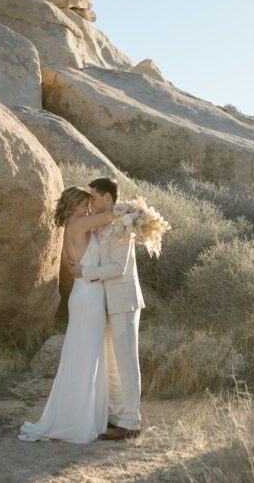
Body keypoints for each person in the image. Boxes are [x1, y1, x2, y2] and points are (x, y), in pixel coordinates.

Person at [17, 186, 116, 444]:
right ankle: (77, 423)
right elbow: (111, 215)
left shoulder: (70, 228)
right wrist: (135, 208)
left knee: (81, 358)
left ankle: (80, 417)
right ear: (75, 206)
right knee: (86, 358)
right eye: (86, 204)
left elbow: (77, 268)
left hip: (83, 293)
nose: (89, 208)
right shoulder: (81, 223)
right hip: (89, 296)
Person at [72, 177, 145, 440]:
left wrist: (85, 272)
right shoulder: (103, 224)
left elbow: (118, 268)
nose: (90, 201)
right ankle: (118, 415)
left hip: (124, 301)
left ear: (107, 198)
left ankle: (132, 423)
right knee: (113, 364)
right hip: (106, 303)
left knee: (126, 361)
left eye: (93, 196)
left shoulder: (122, 227)